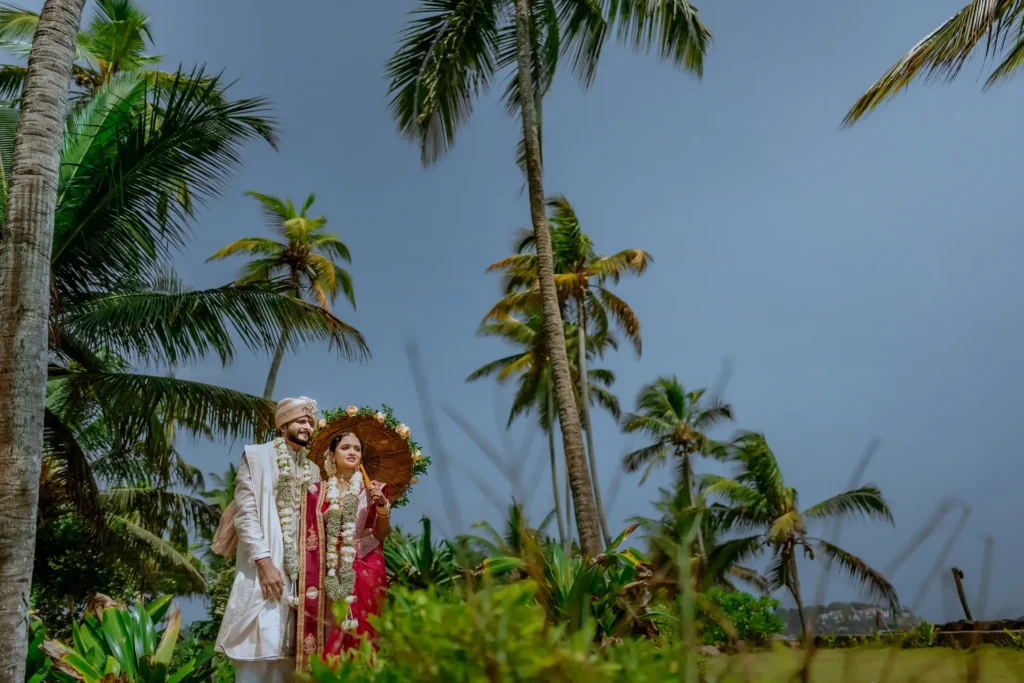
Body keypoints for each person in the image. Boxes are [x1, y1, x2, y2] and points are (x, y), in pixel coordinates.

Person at [214, 397, 319, 683]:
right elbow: (246, 513)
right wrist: (264, 562)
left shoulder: (314, 470)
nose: (307, 426)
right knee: (258, 651)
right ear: (284, 424)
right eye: (300, 420)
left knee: (289, 659)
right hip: (264, 565)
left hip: (301, 575)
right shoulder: (257, 456)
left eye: (311, 422)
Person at [295, 431, 392, 670]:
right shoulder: (317, 492)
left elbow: (381, 534)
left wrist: (381, 506)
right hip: (330, 568)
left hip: (368, 564)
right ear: (332, 455)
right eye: (345, 447)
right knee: (332, 626)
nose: (352, 452)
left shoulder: (375, 488)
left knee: (365, 629)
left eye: (357, 449)